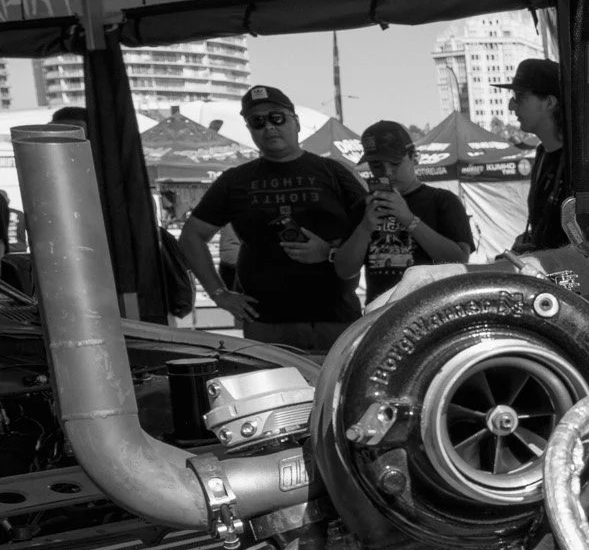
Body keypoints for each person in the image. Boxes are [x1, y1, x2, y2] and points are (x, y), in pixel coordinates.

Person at [177, 86, 364, 351]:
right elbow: (192, 236)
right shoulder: (235, 180)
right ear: (250, 129)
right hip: (266, 324)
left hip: (336, 320)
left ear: (296, 122)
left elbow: (371, 229)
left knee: (337, 392)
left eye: (277, 117)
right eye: (257, 122)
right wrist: (219, 295)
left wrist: (329, 251)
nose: (269, 127)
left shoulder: (333, 171)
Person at [333, 120, 474, 303]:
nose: (387, 172)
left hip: (434, 308)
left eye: (395, 163)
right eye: (377, 166)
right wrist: (365, 228)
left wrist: (409, 219)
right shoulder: (364, 207)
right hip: (382, 312)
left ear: (414, 156)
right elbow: (344, 271)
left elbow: (459, 260)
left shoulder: (442, 200)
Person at [496, 58, 569, 253]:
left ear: (550, 102)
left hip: (572, 276)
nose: (512, 106)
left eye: (519, 96)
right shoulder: (542, 152)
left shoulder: (581, 163)